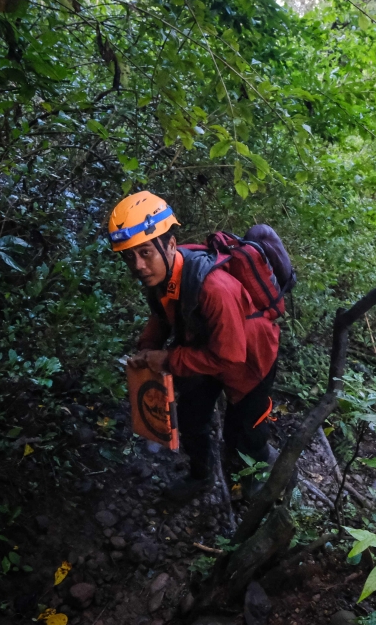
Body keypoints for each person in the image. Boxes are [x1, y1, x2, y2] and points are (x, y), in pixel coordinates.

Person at [108, 192, 280, 501]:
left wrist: (169, 360)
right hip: (203, 347)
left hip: (250, 359)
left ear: (170, 244)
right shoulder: (167, 273)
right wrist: (148, 348)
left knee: (243, 433)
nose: (138, 265)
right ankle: (201, 476)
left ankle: (261, 486)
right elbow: (164, 313)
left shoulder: (215, 289)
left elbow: (229, 356)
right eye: (129, 256)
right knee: (191, 416)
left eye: (145, 252)